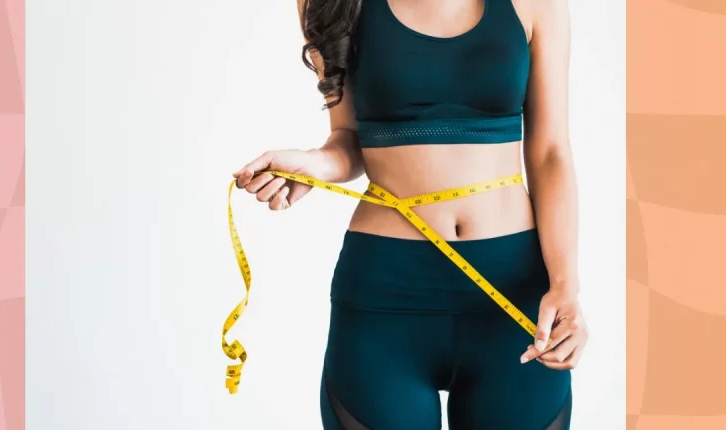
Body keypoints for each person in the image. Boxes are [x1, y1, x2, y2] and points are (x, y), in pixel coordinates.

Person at [233, 0, 588, 428]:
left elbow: (550, 152)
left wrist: (566, 287)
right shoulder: (329, 2)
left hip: (514, 295)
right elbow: (347, 139)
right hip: (385, 298)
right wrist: (314, 165)